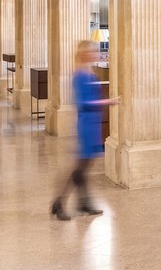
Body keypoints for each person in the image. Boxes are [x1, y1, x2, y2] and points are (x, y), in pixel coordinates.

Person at [50, 40, 117, 221]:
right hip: (87, 124)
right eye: (94, 51)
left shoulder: (87, 72)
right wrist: (107, 102)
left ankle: (83, 202)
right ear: (85, 54)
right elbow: (82, 103)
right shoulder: (80, 75)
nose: (97, 54)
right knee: (80, 168)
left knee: (84, 166)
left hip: (92, 123)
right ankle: (60, 202)